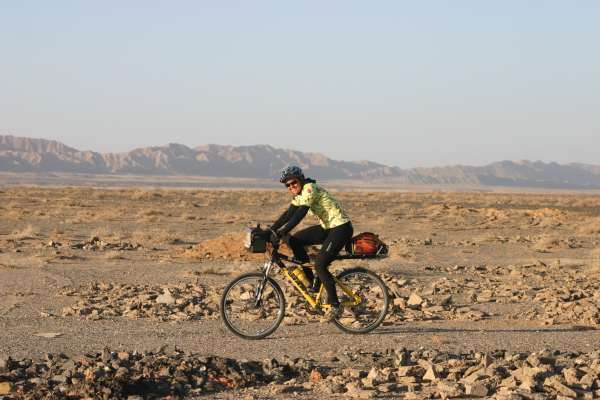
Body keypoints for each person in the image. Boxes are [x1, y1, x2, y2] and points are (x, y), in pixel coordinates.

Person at [270, 165, 353, 320]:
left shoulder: (309, 188)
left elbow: (300, 214)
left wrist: (282, 231)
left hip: (341, 228)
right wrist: (271, 230)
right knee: (294, 241)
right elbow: (288, 214)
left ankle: (335, 305)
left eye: (293, 183)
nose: (291, 187)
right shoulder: (299, 194)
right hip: (327, 227)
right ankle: (313, 283)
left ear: (300, 179)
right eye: (287, 185)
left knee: (320, 264)